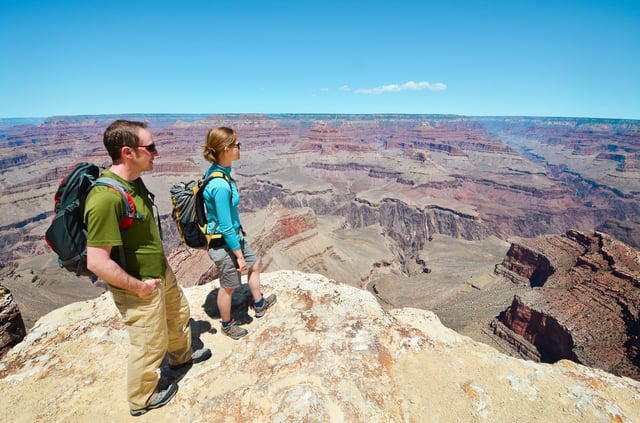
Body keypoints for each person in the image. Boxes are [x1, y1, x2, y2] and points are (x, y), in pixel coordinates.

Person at [84, 120, 211, 416]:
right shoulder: (105, 198)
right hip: (138, 285)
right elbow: (97, 261)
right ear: (128, 152)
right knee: (149, 344)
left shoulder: (134, 180)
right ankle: (141, 398)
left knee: (179, 315)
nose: (157, 153)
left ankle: (182, 358)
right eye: (150, 147)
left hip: (160, 272)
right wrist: (139, 287)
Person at [202, 127, 276, 339]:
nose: (239, 148)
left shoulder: (220, 172)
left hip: (234, 238)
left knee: (256, 264)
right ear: (226, 149)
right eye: (237, 145)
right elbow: (224, 225)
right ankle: (227, 324)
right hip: (223, 242)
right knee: (229, 287)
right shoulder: (220, 185)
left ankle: (259, 304)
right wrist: (238, 255)